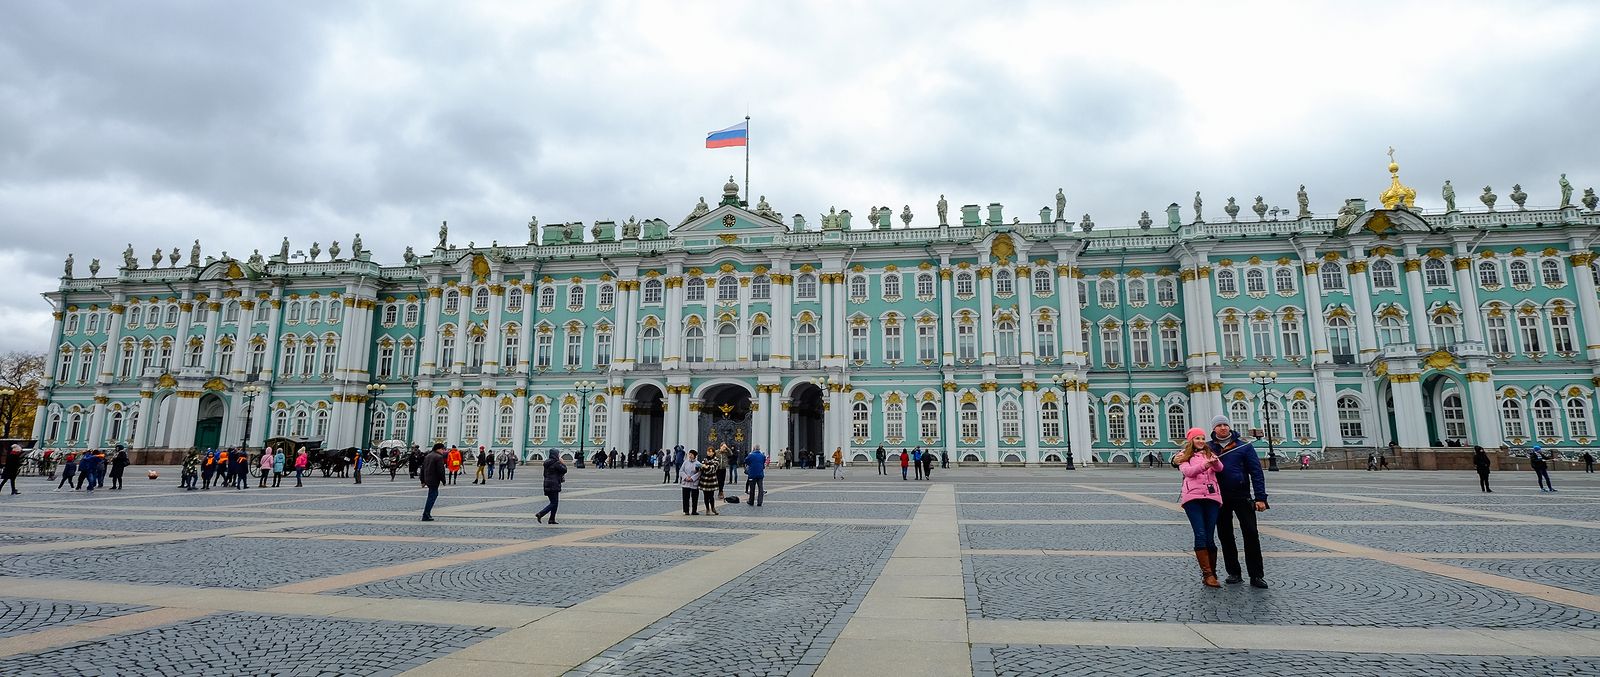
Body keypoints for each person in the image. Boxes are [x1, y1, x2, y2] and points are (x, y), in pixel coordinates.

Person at [1206, 414, 1270, 589]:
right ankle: (1234, 572)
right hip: (1219, 497)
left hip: (1242, 495)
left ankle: (1256, 575)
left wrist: (1261, 498)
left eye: (1225, 424)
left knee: (1251, 533)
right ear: (1214, 429)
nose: (1223, 428)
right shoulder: (1208, 448)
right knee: (1225, 536)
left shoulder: (1244, 447)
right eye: (1219, 425)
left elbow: (1256, 472)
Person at [1176, 427, 1224, 588]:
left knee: (1210, 535)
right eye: (1197, 438)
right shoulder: (1183, 456)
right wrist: (1205, 465)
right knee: (1200, 533)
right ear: (1191, 440)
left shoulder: (1210, 453)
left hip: (1211, 497)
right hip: (1193, 499)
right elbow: (1188, 472)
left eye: (1203, 438)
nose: (1201, 441)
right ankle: (1207, 574)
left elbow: (1220, 469)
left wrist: (1215, 462)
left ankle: (1213, 572)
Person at [535, 450, 567, 524]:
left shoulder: (547, 463)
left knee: (554, 502)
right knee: (554, 503)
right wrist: (563, 463)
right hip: (554, 484)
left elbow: (545, 474)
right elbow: (564, 470)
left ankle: (552, 519)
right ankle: (541, 514)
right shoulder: (556, 463)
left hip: (547, 483)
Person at [420, 443, 447, 521]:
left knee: (432, 495)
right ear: (438, 449)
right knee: (432, 496)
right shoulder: (438, 457)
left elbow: (422, 469)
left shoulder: (428, 456)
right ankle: (426, 514)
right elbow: (441, 470)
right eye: (443, 449)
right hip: (434, 479)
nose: (443, 451)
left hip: (427, 479)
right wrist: (443, 480)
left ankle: (426, 513)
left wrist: (422, 480)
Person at [699, 448, 722, 515]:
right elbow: (702, 468)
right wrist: (705, 467)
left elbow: (713, 469)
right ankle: (707, 509)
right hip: (704, 480)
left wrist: (706, 467)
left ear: (713, 452)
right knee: (705, 496)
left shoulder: (716, 460)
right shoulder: (704, 459)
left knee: (711, 496)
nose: (708, 453)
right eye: (708, 451)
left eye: (710, 451)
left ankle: (713, 507)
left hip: (712, 480)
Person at [680, 450, 702, 515]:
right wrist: (686, 477)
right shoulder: (685, 462)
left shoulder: (698, 463)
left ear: (695, 456)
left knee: (695, 498)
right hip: (686, 483)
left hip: (694, 483)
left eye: (691, 454)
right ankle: (686, 510)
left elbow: (699, 473)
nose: (690, 456)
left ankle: (694, 510)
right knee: (685, 497)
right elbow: (681, 471)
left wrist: (692, 478)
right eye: (689, 454)